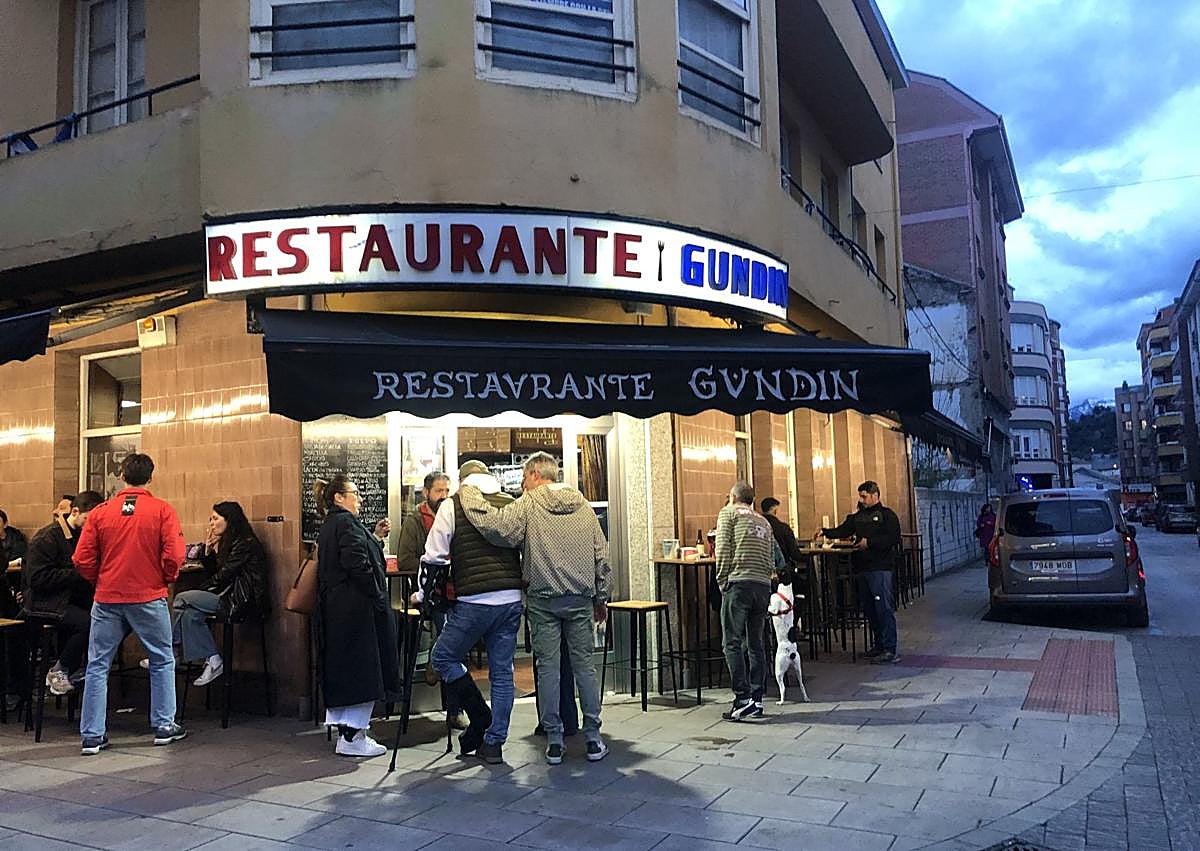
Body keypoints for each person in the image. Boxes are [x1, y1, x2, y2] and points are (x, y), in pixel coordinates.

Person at [459, 451, 611, 765]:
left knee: (548, 670)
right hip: (580, 600)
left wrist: (470, 492)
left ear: (533, 474)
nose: (523, 485)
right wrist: (601, 598)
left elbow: (497, 528)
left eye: (525, 479)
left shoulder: (529, 504)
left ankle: (555, 741)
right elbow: (602, 556)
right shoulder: (583, 506)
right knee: (585, 668)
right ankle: (593, 738)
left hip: (543, 602)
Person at [73, 453, 187, 755]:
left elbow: (82, 558)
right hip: (148, 596)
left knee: (98, 664)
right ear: (151, 477)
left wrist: (100, 579)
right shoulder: (162, 511)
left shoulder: (100, 512)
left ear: (121, 476)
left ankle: (92, 735)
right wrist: (165, 578)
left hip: (107, 597)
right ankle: (164, 726)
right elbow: (175, 555)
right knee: (162, 659)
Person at [414, 460, 523, 764]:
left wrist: (423, 594)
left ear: (463, 480)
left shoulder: (453, 505)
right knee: (503, 672)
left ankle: (479, 713)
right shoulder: (510, 503)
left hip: (475, 599)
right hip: (510, 598)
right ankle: (494, 742)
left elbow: (434, 555)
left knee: (442, 658)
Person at [315, 474, 400, 758]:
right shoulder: (346, 522)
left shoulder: (331, 524)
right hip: (356, 610)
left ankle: (348, 733)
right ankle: (353, 736)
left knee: (345, 669)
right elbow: (356, 562)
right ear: (339, 497)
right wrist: (376, 594)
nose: (360, 498)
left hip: (337, 609)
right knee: (362, 669)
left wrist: (374, 537)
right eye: (354, 493)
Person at [158, 501, 268, 687]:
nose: (211, 523)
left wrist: (199, 591)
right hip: (228, 595)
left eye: (216, 518)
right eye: (211, 519)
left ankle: (172, 651)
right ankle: (213, 658)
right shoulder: (230, 543)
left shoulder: (245, 545)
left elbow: (222, 577)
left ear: (229, 521)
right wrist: (208, 552)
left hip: (240, 600)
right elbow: (217, 573)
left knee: (181, 598)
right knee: (190, 615)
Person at [396, 472, 466, 725]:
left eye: (447, 490)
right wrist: (437, 568)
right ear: (426, 493)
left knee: (458, 647)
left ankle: (455, 708)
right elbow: (405, 559)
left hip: (458, 593)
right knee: (451, 640)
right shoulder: (415, 521)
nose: (444, 496)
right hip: (433, 595)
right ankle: (454, 708)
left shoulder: (457, 516)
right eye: (439, 491)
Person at [24, 491, 104, 695]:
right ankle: (60, 670)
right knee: (87, 623)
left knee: (115, 617)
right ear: (75, 512)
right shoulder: (47, 537)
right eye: (89, 519)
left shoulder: (86, 537)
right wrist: (78, 573)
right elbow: (37, 579)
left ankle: (88, 669)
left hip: (74, 599)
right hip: (46, 602)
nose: (92, 525)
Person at [818, 480, 902, 664]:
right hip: (863, 568)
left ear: (875, 495)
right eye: (860, 496)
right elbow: (843, 529)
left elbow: (893, 538)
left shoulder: (887, 516)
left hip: (880, 568)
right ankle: (879, 644)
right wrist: (825, 532)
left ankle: (890, 648)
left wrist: (869, 543)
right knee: (870, 609)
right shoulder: (857, 517)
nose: (862, 500)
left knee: (883, 608)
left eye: (864, 496)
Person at [715, 482, 774, 721]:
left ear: (732, 497)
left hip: (739, 584)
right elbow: (771, 557)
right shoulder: (764, 521)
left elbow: (723, 549)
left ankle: (742, 698)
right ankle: (757, 699)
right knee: (756, 643)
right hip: (762, 586)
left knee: (731, 642)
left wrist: (722, 580)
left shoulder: (728, 514)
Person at [761, 497, 803, 568]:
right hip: (781, 567)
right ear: (774, 510)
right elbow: (794, 553)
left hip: (762, 567)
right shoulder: (783, 528)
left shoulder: (757, 526)